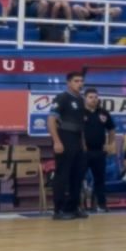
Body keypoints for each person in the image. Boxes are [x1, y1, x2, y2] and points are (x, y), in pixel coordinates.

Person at [49, 72, 89, 220]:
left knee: (77, 176)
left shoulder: (80, 100)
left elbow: (81, 125)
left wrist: (83, 143)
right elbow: (51, 120)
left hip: (78, 140)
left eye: (81, 81)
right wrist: (57, 141)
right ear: (68, 83)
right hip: (65, 138)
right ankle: (58, 210)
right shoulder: (62, 97)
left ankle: (73, 208)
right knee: (62, 176)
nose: (80, 83)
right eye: (76, 81)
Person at [81, 88, 116, 213]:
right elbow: (77, 131)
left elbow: (111, 129)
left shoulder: (103, 113)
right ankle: (80, 206)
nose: (94, 99)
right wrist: (82, 144)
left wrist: (110, 144)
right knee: (79, 178)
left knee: (100, 179)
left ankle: (101, 204)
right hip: (83, 152)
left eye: (95, 97)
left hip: (99, 151)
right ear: (85, 98)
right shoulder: (80, 112)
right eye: (91, 97)